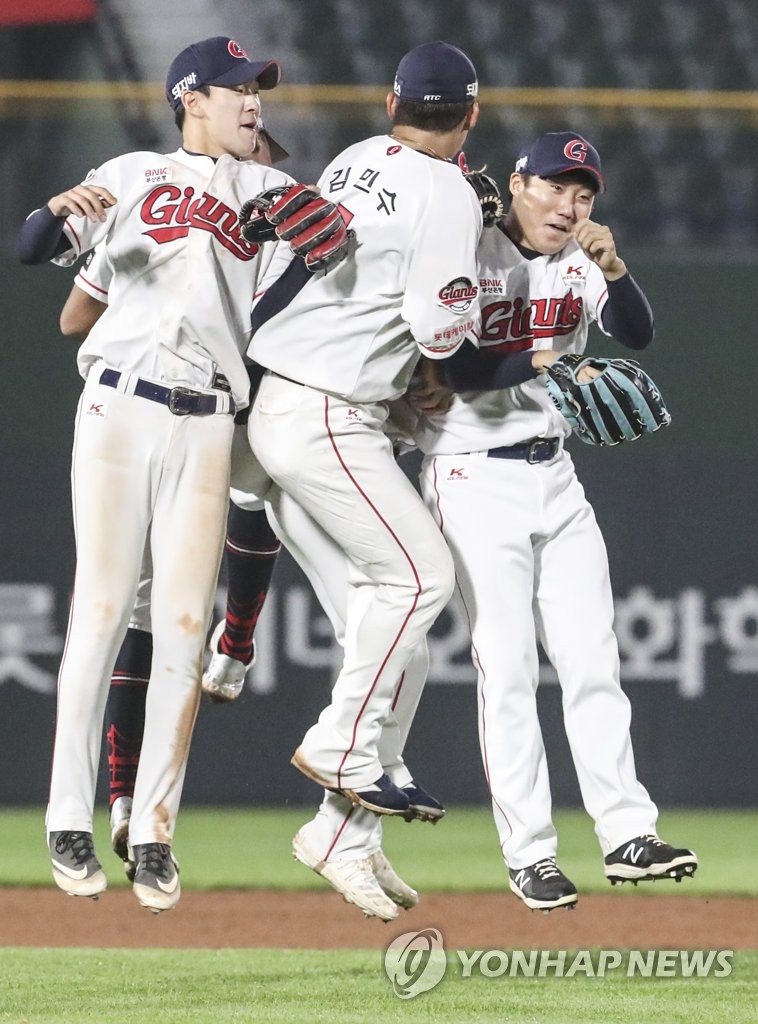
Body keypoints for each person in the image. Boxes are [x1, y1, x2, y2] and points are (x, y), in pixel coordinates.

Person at [17, 35, 347, 913]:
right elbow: (32, 250)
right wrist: (53, 212)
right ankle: (65, 818)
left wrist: (321, 242)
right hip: (119, 407)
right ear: (190, 96)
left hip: (208, 418)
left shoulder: (270, 190)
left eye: (260, 92)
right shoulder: (131, 174)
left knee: (184, 624)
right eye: (239, 88)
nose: (255, 103)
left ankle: (155, 829)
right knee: (99, 607)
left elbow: (330, 253)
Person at [408, 131, 698, 911]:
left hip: (556, 475)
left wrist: (617, 268)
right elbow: (459, 368)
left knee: (593, 661)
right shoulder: (469, 251)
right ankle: (530, 853)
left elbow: (635, 333)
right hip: (473, 475)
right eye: (555, 187)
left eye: (584, 194)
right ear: (518, 184)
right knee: (507, 673)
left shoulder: (580, 260)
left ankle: (627, 834)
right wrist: (542, 361)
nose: (569, 206)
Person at [245, 41, 483, 818]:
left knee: (375, 608)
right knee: (421, 577)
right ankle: (342, 742)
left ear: (392, 106)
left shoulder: (355, 157)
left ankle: (359, 801)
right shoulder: (448, 193)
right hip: (325, 413)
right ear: (471, 117)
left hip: (281, 400)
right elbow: (437, 332)